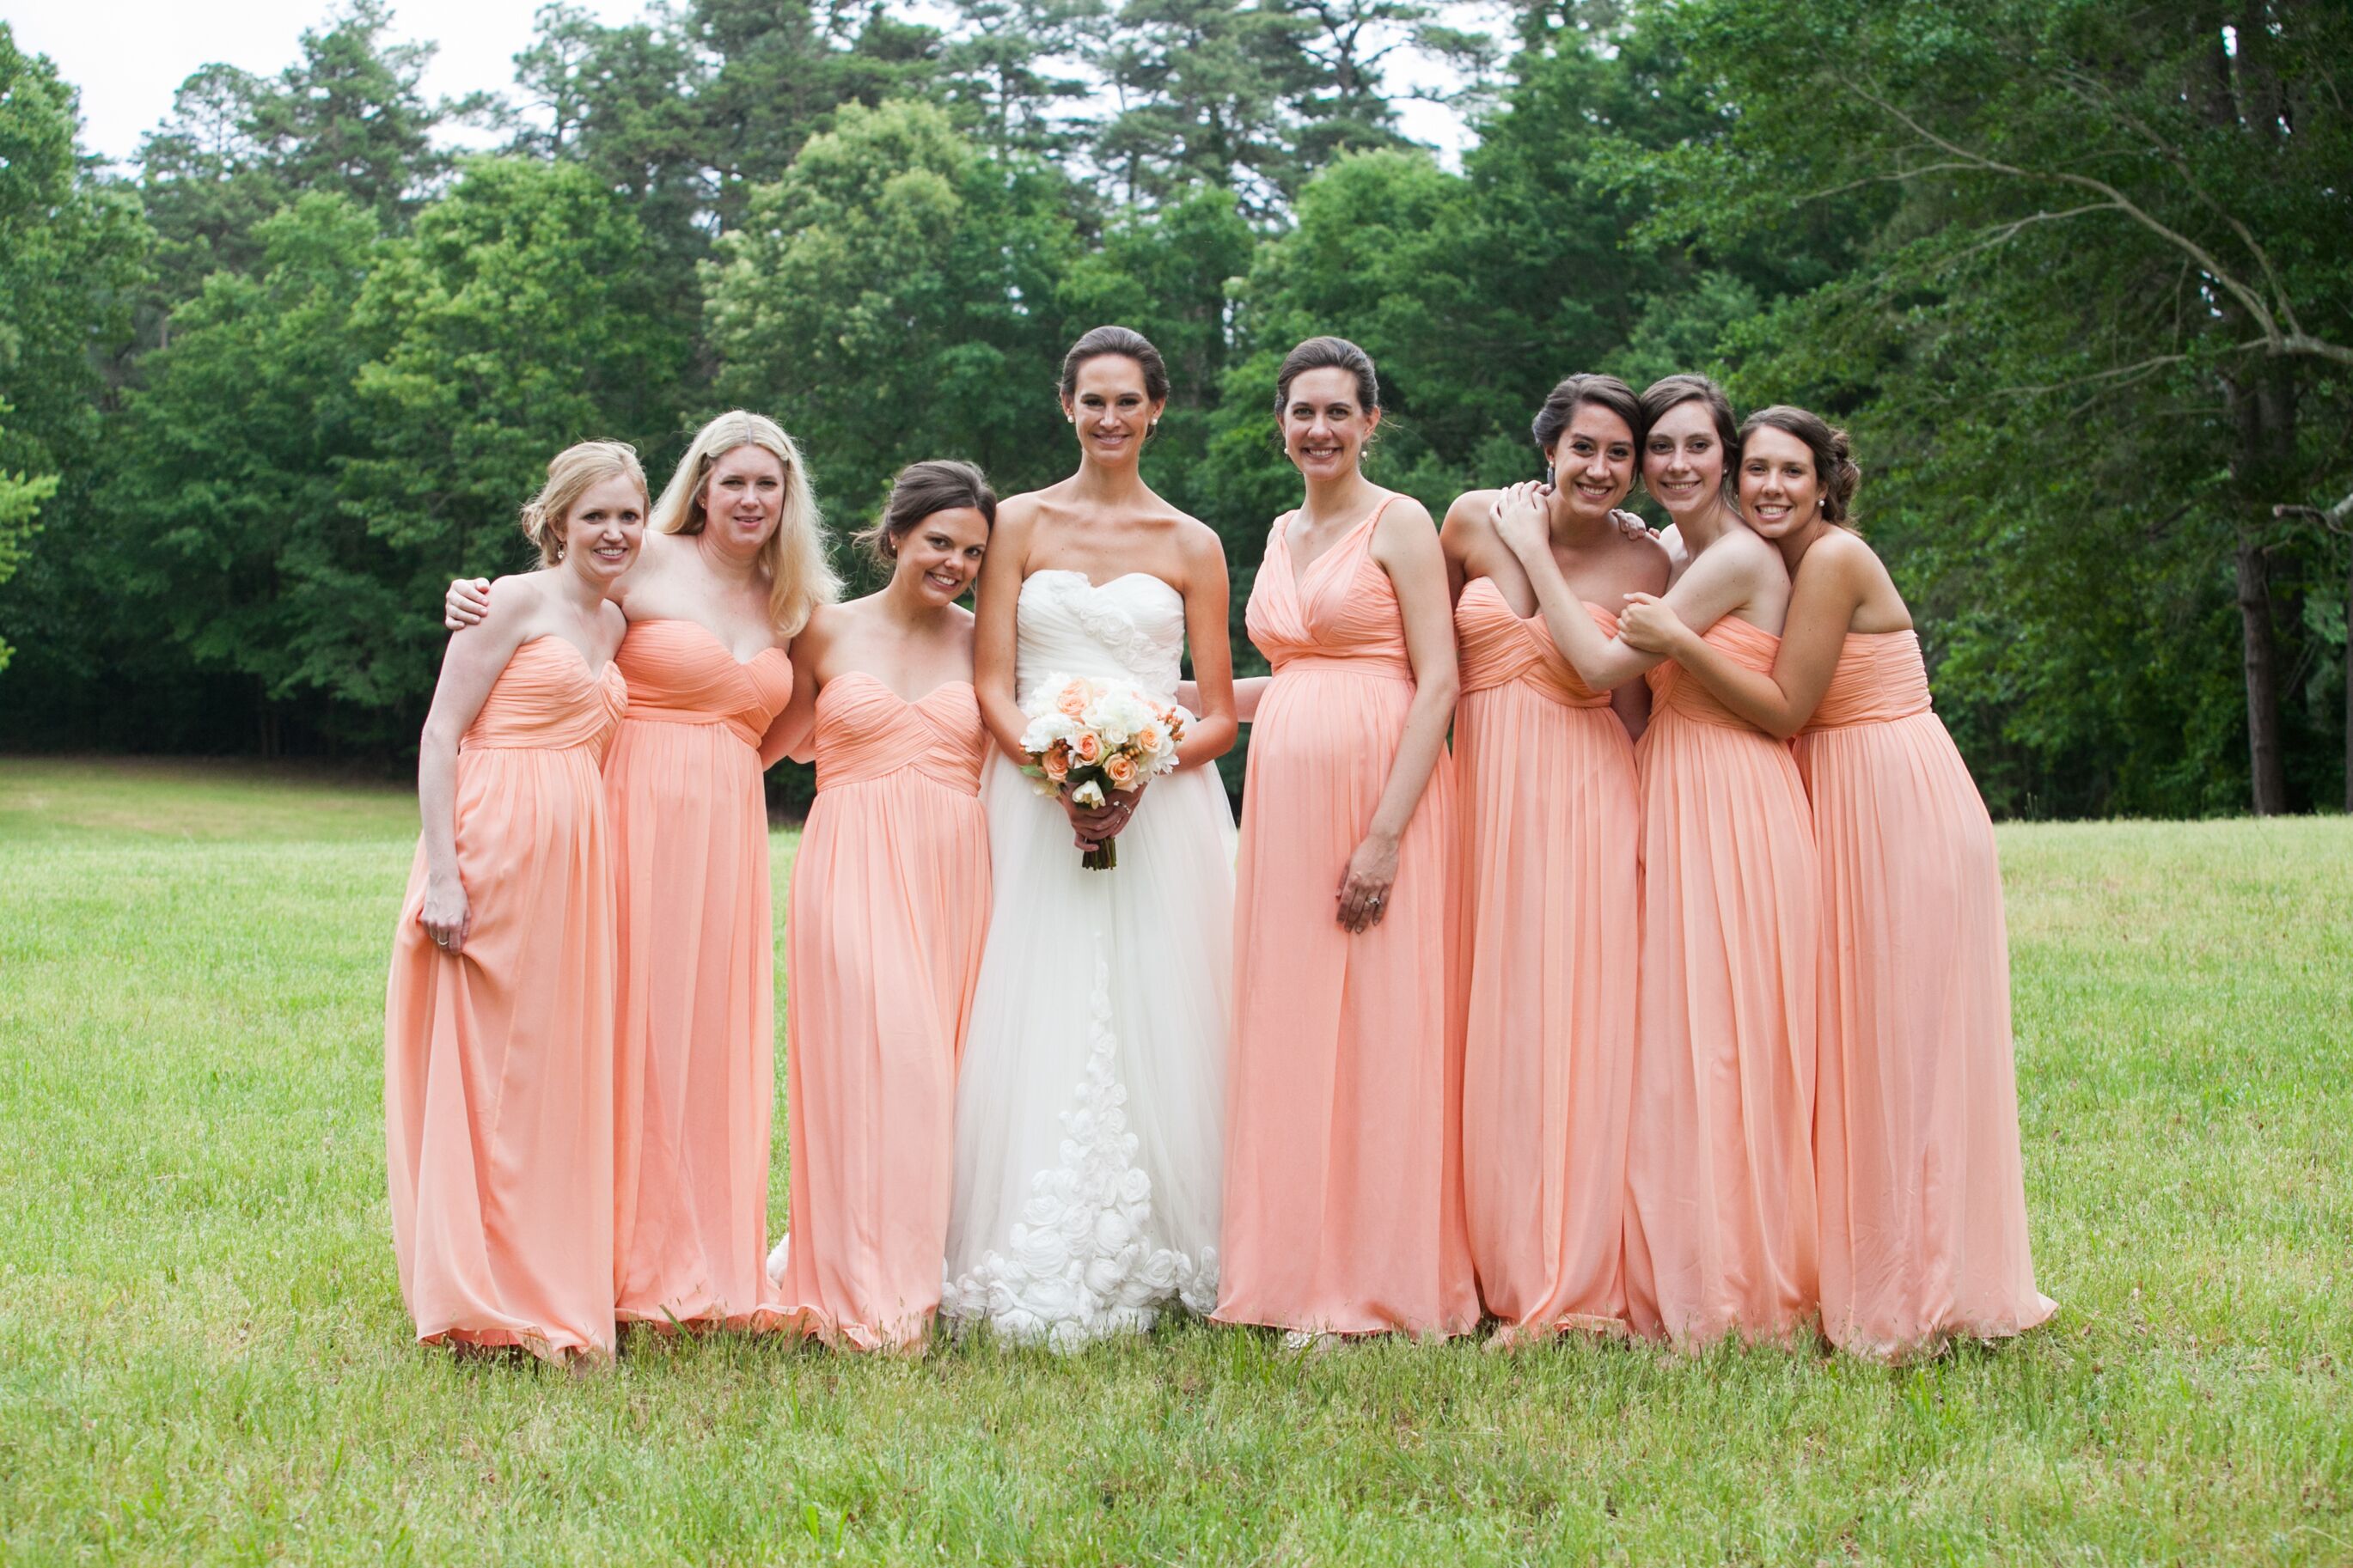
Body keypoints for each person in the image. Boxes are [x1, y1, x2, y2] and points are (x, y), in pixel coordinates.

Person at [1617, 406, 2056, 1360]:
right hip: (1838, 801)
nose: (1772, 487)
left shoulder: (1830, 562)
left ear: (1825, 481)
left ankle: (1924, 1290)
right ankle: (1873, 1271)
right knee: (1856, 1053)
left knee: (1905, 1051)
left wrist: (1676, 641)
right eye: (1759, 471)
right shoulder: (1761, 558)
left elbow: (1782, 709)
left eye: (1791, 471)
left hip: (1894, 800)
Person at [443, 411, 837, 1331]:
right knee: (624, 1026)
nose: (748, 499)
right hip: (625, 813)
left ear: (788, 499)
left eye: (766, 485)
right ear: (699, 485)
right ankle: (601, 1257)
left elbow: (787, 725)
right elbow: (548, 606)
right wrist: (473, 593)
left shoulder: (794, 602)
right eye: (730, 481)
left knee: (706, 1031)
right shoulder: (645, 558)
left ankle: (696, 1259)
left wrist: (727, 756)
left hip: (728, 830)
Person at [1493, 372, 1820, 1349]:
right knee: (1676, 1053)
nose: (1676, 465)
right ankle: (1662, 1269)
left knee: (1722, 1051)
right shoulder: (1676, 550)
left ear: (1725, 454)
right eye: (1660, 449)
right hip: (1673, 788)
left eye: (1695, 447)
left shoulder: (1732, 558)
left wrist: (1528, 551)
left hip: (1730, 797)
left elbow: (1598, 672)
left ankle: (1732, 1293)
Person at [940, 326, 1239, 1349]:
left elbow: (1218, 715)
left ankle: (1173, 1240)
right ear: (1063, 406)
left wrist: (1134, 772)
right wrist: (1056, 769)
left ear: (1158, 409)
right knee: (1028, 998)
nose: (1109, 417)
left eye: (1128, 400)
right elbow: (989, 678)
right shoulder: (1017, 522)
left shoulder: (1192, 543)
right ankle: (1011, 1238)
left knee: (1167, 1006)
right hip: (1030, 799)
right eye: (1091, 400)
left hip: (1162, 812)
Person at [1213, 337, 1473, 1345]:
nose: (1316, 429)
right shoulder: (1279, 530)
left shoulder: (1399, 521)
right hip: (1280, 801)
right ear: (1279, 423)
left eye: (1336, 412)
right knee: (1289, 1018)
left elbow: (1438, 680)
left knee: (1379, 1020)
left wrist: (1383, 836)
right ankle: (1288, 1266)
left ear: (1371, 421)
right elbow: (1292, 677)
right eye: (1299, 412)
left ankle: (1377, 1277)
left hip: (1382, 795)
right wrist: (1150, 703)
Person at [387, 441, 639, 1364]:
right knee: (482, 1069)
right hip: (489, 846)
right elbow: (440, 735)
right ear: (557, 523)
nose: (614, 532)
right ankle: (470, 1289)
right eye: (596, 516)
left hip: (573, 863)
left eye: (628, 515)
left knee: (543, 1073)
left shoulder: (611, 624)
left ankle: (537, 1267)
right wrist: (444, 873)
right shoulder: (507, 600)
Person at [1442, 372, 1667, 1345]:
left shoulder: (1648, 564)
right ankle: (1482, 1253)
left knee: (1575, 1025)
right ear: (1547, 449)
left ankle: (1568, 1271)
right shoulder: (1464, 521)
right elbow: (1419, 666)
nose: (1602, 469)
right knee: (1492, 1023)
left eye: (1620, 454)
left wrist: (1658, 828)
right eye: (1585, 448)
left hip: (1584, 797)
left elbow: (1628, 703)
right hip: (1481, 797)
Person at [759, 461, 997, 1351]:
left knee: (941, 1073)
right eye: (939, 541)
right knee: (876, 1062)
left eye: (972, 551)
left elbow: (1052, 720)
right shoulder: (822, 631)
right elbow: (757, 737)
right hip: (849, 861)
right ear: (895, 534)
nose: (955, 563)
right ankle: (868, 1282)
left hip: (952, 871)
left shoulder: (986, 640)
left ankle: (920, 1257)